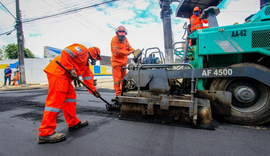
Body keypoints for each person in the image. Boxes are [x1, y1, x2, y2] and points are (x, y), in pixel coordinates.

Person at [37, 43, 102, 143]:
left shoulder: (85, 66)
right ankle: (45, 132)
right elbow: (66, 52)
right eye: (97, 58)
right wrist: (70, 68)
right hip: (58, 73)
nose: (96, 60)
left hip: (65, 78)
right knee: (55, 103)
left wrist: (94, 91)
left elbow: (88, 80)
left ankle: (73, 123)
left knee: (70, 98)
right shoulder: (82, 49)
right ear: (94, 55)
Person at [110, 26, 134, 96]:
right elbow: (117, 51)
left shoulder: (125, 39)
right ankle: (118, 94)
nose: (122, 37)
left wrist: (134, 51)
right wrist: (128, 53)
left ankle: (124, 91)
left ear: (125, 34)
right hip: (116, 63)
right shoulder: (114, 40)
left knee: (123, 79)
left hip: (123, 64)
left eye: (123, 35)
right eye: (120, 35)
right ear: (117, 33)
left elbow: (129, 47)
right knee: (117, 80)